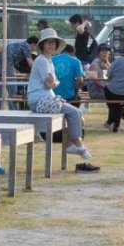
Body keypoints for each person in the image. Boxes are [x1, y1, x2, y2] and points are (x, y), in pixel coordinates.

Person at [27, 29, 100, 171]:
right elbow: (50, 83)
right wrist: (53, 82)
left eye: (54, 43)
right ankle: (77, 145)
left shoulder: (49, 61)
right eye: (48, 43)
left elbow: (53, 83)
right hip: (38, 101)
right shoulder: (41, 60)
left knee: (75, 112)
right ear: (42, 45)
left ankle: (75, 144)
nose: (52, 45)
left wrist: (54, 82)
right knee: (73, 112)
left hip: (46, 98)